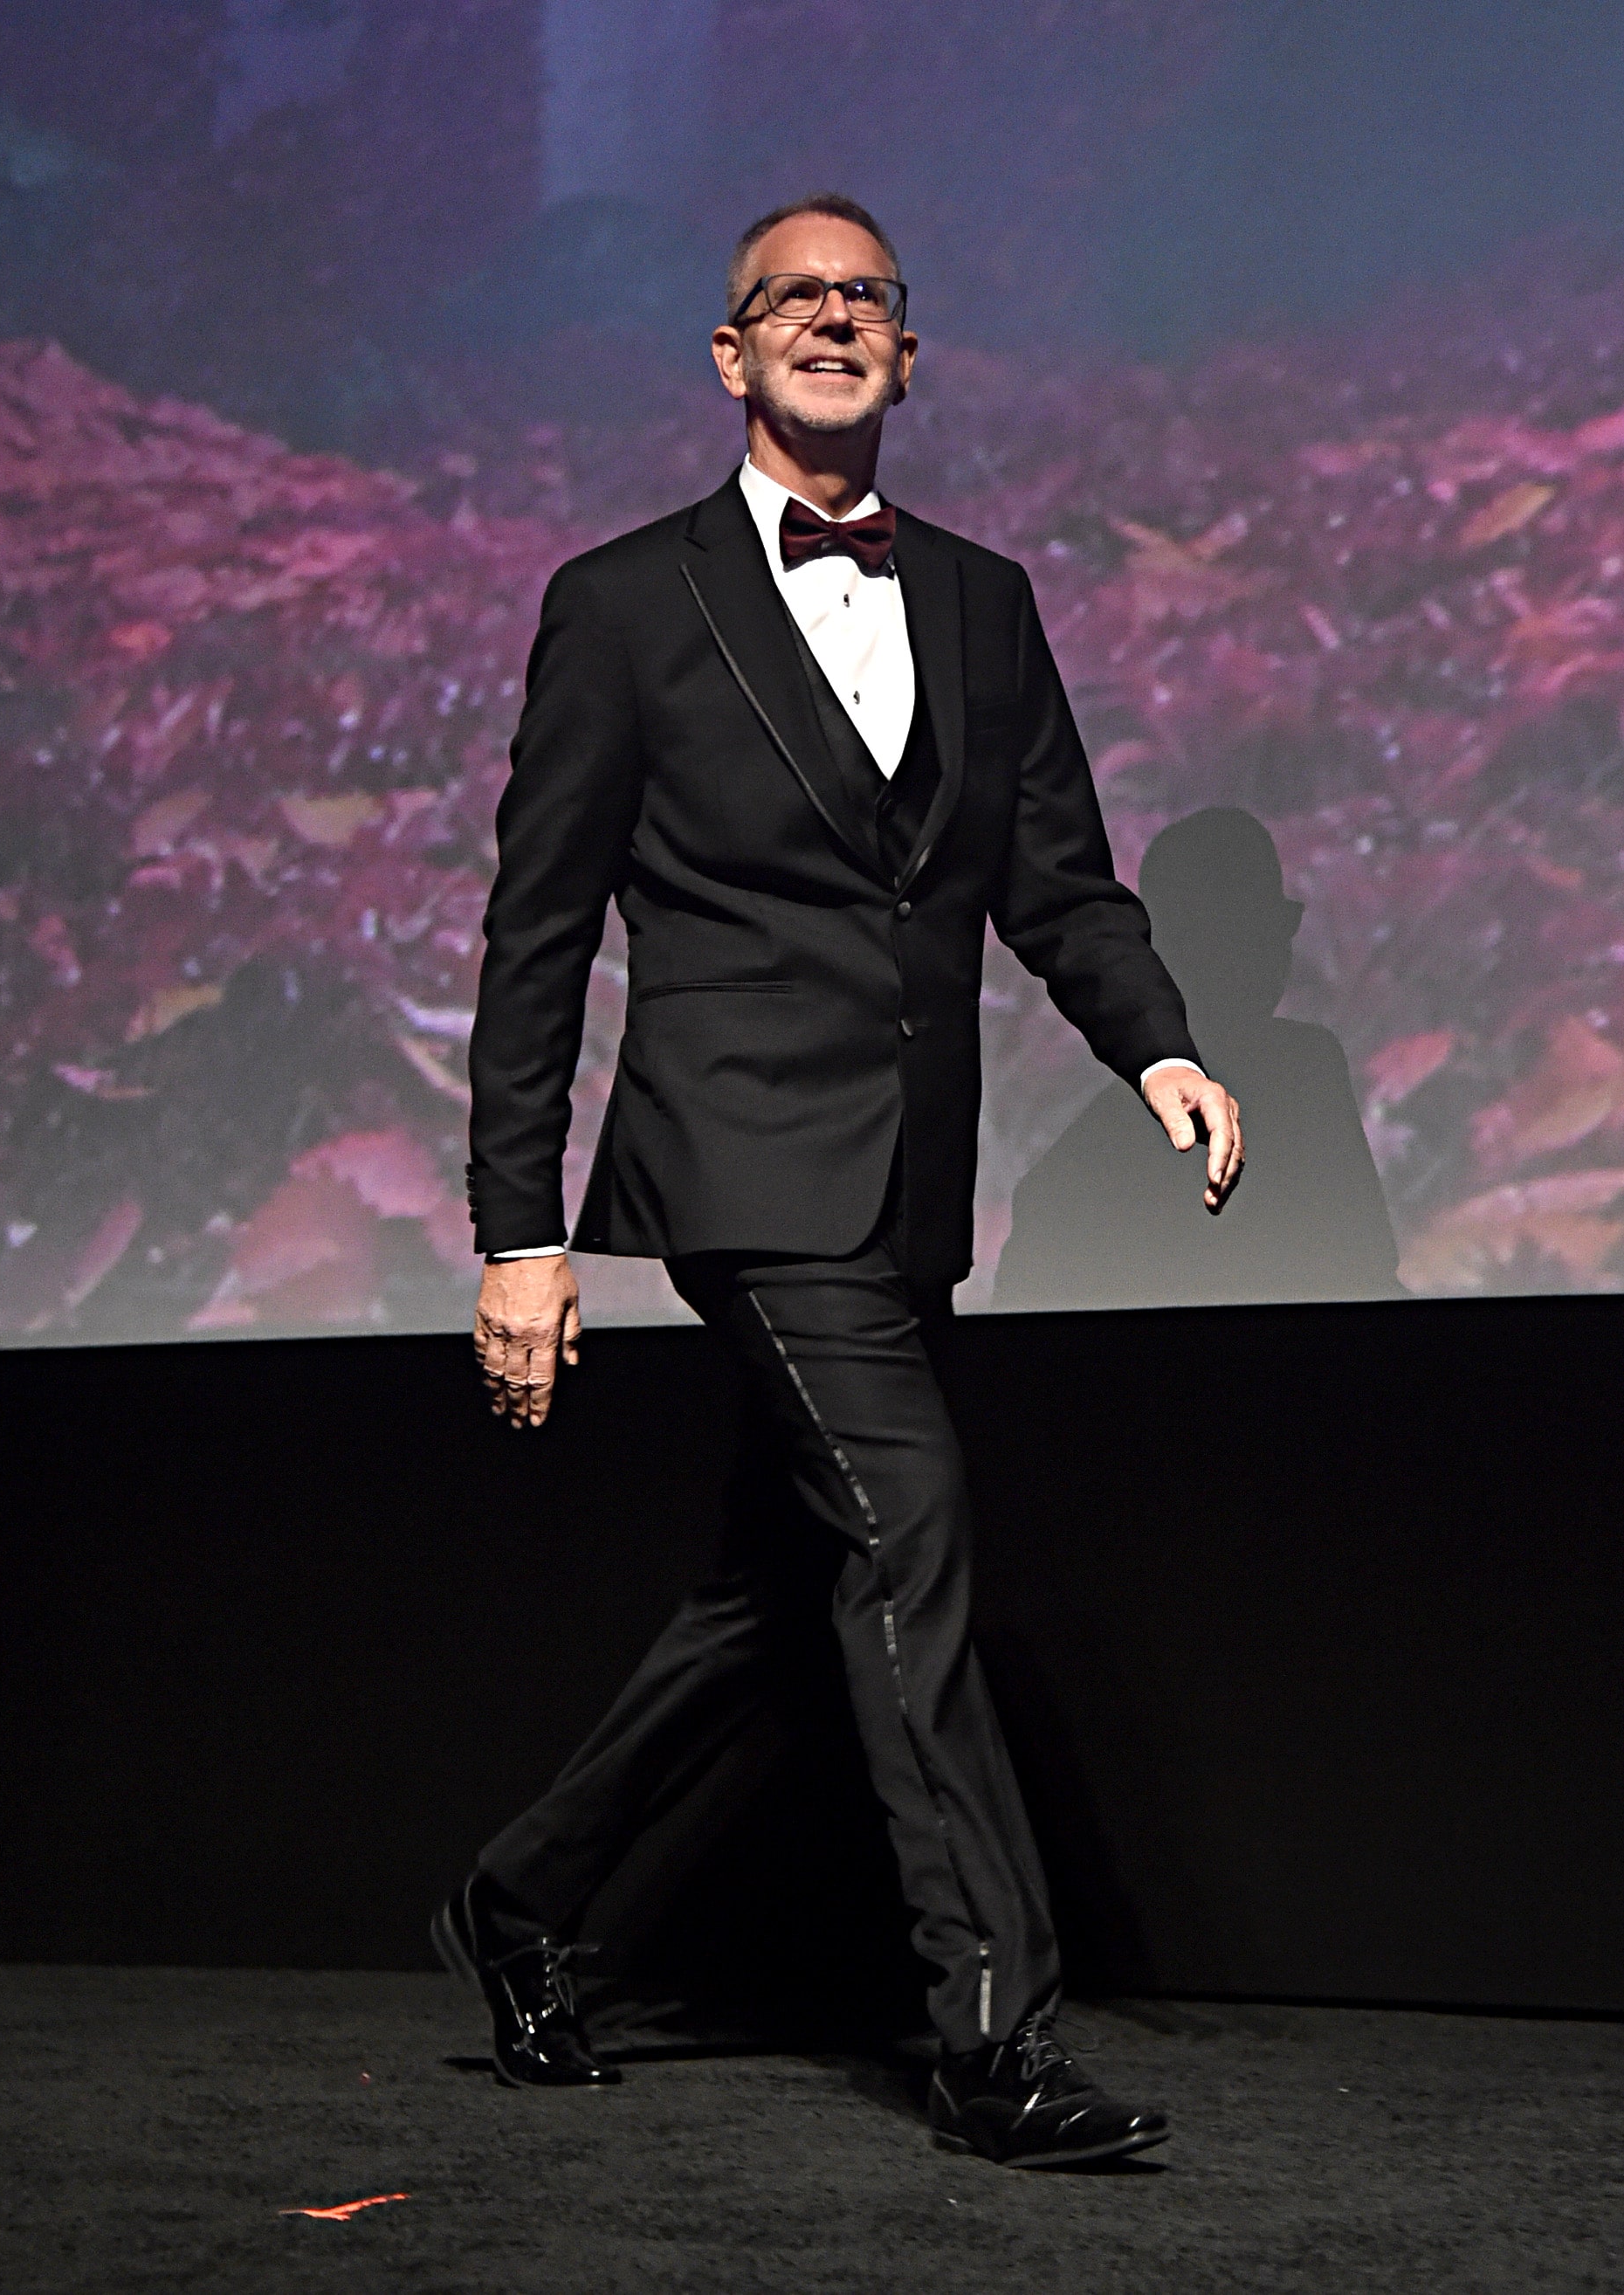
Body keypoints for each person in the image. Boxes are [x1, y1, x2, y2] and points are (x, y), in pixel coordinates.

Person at [436, 193, 1242, 2170]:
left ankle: (522, 1896)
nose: (828, 316)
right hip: (739, 1159)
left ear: (907, 350)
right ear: (730, 353)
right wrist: (517, 1228)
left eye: (863, 294)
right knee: (910, 1530)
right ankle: (990, 2034)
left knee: (777, 1590)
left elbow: (1057, 877)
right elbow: (538, 934)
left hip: (905, 1178)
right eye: (789, 297)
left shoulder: (980, 597)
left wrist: (1155, 1042)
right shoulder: (624, 603)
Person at [995, 807, 1400, 1311]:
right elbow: (1368, 1271)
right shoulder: (1306, 1069)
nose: (1277, 948)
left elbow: (1368, 1271)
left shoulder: (1064, 1171)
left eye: (1277, 926)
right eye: (1254, 929)